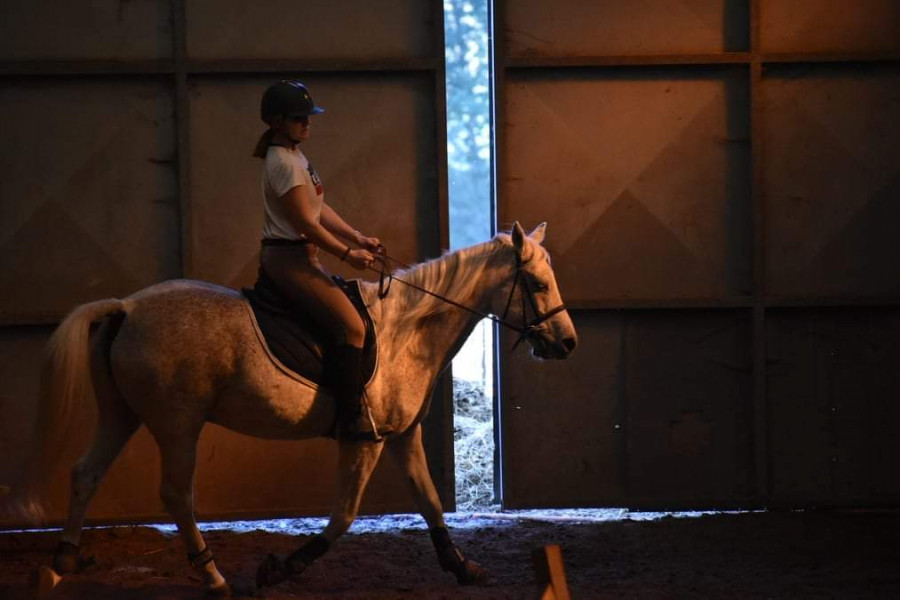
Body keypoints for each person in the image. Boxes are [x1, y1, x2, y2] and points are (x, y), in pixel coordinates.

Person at [252, 80, 382, 441]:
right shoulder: (284, 163)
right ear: (278, 122)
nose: (307, 123)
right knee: (353, 328)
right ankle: (348, 418)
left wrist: (356, 236)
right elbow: (304, 223)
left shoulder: (296, 157)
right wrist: (346, 255)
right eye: (299, 118)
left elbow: (318, 208)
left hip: (301, 256)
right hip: (289, 261)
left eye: (308, 117)